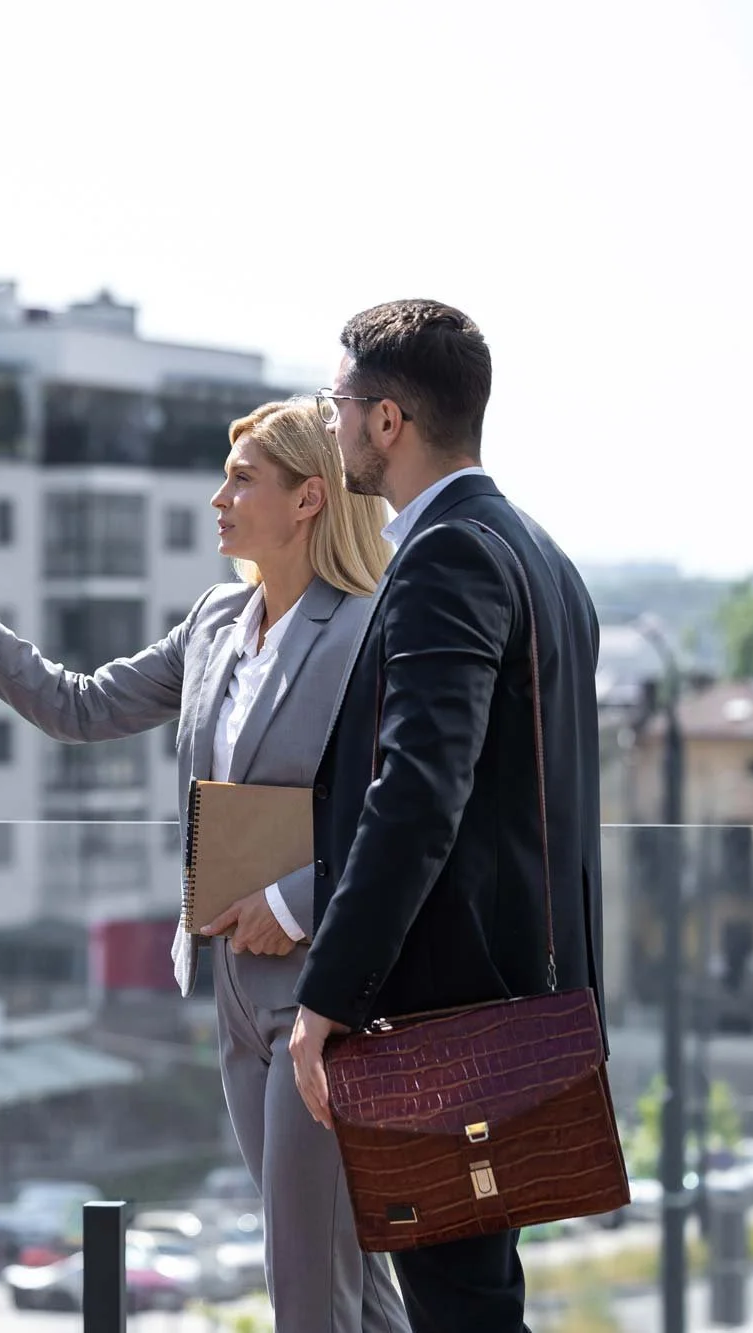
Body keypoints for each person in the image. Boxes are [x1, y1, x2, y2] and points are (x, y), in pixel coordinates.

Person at [0, 400, 409, 1333]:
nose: (218, 497)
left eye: (243, 479)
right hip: (234, 984)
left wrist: (298, 894)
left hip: (325, 990)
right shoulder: (215, 622)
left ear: (311, 497)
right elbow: (79, 705)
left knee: (309, 1283)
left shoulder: (366, 629)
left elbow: (412, 805)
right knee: (341, 1270)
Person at [285, 300, 603, 1333]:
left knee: (459, 1312)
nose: (330, 426)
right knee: (472, 1303)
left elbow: (417, 792)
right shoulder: (540, 553)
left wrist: (327, 992)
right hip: (527, 998)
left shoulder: (446, 555)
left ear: (386, 421)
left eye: (337, 404)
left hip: (448, 1019)